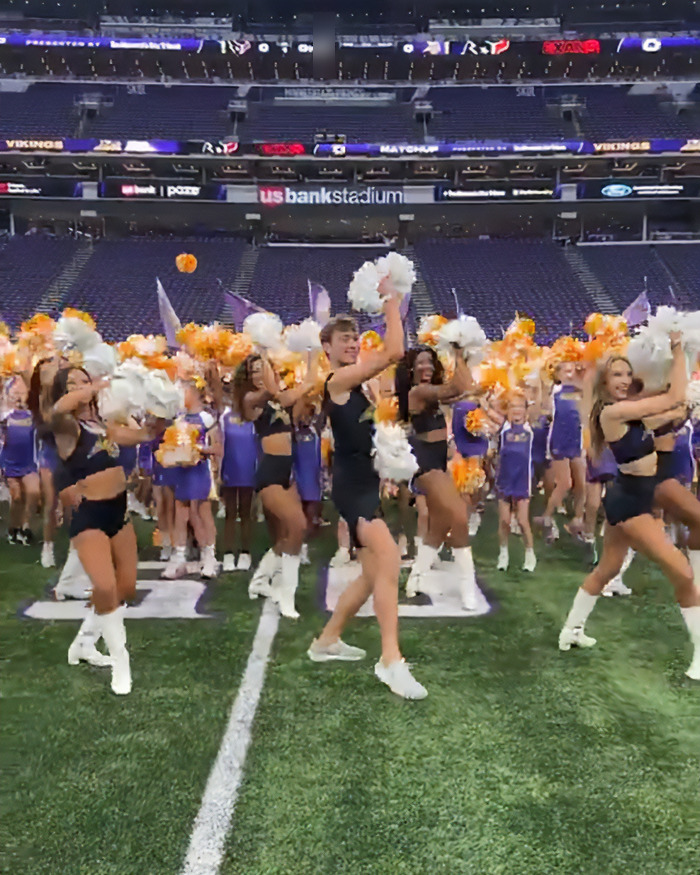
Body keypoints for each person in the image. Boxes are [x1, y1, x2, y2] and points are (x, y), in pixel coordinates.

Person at [308, 279, 427, 700]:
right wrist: (392, 299)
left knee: (373, 572)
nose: (352, 343)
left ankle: (327, 640)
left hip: (364, 480)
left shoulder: (358, 385)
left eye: (355, 337)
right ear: (326, 347)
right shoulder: (337, 381)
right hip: (350, 485)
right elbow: (394, 351)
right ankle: (391, 660)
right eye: (343, 339)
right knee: (389, 557)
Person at [558, 342, 700, 681]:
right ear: (604, 382)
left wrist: (683, 407)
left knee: (607, 568)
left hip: (628, 495)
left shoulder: (627, 412)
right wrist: (678, 350)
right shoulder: (611, 413)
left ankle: (571, 630)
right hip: (630, 504)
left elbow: (667, 412)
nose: (623, 380)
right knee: (682, 573)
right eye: (616, 375)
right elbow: (671, 397)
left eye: (627, 374)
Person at [51, 367, 144, 695]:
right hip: (88, 513)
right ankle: (121, 661)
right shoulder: (66, 426)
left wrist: (156, 408)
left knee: (125, 588)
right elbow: (59, 408)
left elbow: (141, 437)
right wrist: (97, 385)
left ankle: (84, 642)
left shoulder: (104, 424)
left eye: (83, 380)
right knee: (104, 586)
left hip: (119, 510)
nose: (80, 387)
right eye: (72, 383)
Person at [235, 350, 318, 617]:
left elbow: (307, 385)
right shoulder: (251, 400)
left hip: (287, 473)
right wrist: (266, 356)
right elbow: (273, 392)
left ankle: (260, 581)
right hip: (269, 473)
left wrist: (312, 351)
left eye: (262, 368)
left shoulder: (279, 400)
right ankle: (286, 594)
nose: (259, 374)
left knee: (290, 535)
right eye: (254, 371)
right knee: (298, 526)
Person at [396, 344, 477, 608]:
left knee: (440, 524)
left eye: (430, 362)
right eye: (420, 362)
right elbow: (456, 388)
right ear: (410, 369)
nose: (426, 367)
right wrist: (458, 351)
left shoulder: (432, 393)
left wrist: (468, 363)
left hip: (438, 463)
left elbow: (465, 388)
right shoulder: (418, 392)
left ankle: (415, 580)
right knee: (459, 515)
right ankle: (467, 584)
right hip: (424, 464)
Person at [162, 381, 221, 581]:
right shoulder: (178, 418)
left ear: (195, 393)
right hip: (181, 471)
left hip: (199, 470)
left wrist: (199, 449)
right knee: (180, 512)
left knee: (202, 511)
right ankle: (179, 556)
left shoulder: (206, 418)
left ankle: (209, 556)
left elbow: (218, 447)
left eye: (183, 391)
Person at [218, 372, 257, 573]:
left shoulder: (254, 418)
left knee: (246, 513)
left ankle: (245, 553)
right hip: (230, 469)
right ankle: (227, 554)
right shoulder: (224, 416)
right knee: (230, 513)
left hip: (248, 470)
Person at [495, 390, 537, 573]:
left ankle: (530, 553)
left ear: (526, 410)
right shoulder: (504, 429)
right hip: (504, 478)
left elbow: (540, 408)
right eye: (512, 406)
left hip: (522, 480)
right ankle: (503, 554)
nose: (516, 410)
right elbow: (492, 407)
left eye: (520, 406)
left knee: (522, 520)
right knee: (504, 521)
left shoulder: (529, 430)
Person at [1, 377, 40, 545]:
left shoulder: (33, 417)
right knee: (16, 497)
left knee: (33, 492)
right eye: (15, 393)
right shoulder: (4, 418)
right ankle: (13, 528)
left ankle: (26, 527)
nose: (19, 397)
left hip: (29, 463)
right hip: (9, 464)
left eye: (22, 393)